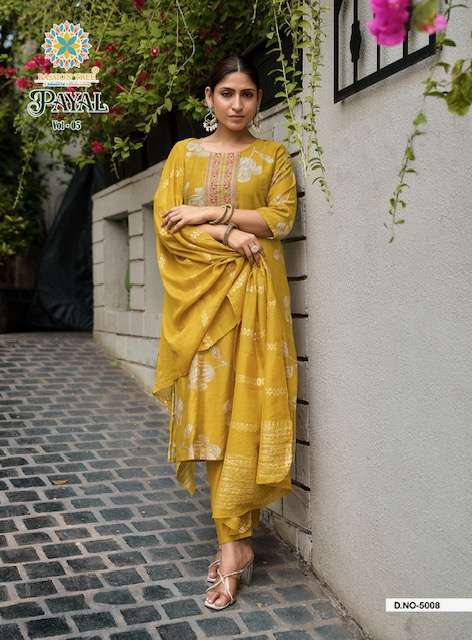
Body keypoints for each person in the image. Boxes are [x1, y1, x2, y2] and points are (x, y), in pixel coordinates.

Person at [152, 52, 298, 610]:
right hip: (203, 310)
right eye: (227, 93)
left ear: (259, 100)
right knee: (214, 415)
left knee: (250, 414)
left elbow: (280, 219)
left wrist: (212, 214)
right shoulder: (183, 155)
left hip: (258, 304)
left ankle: (234, 547)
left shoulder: (272, 155)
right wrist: (230, 234)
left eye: (248, 94)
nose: (237, 104)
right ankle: (233, 540)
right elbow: (169, 226)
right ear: (208, 98)